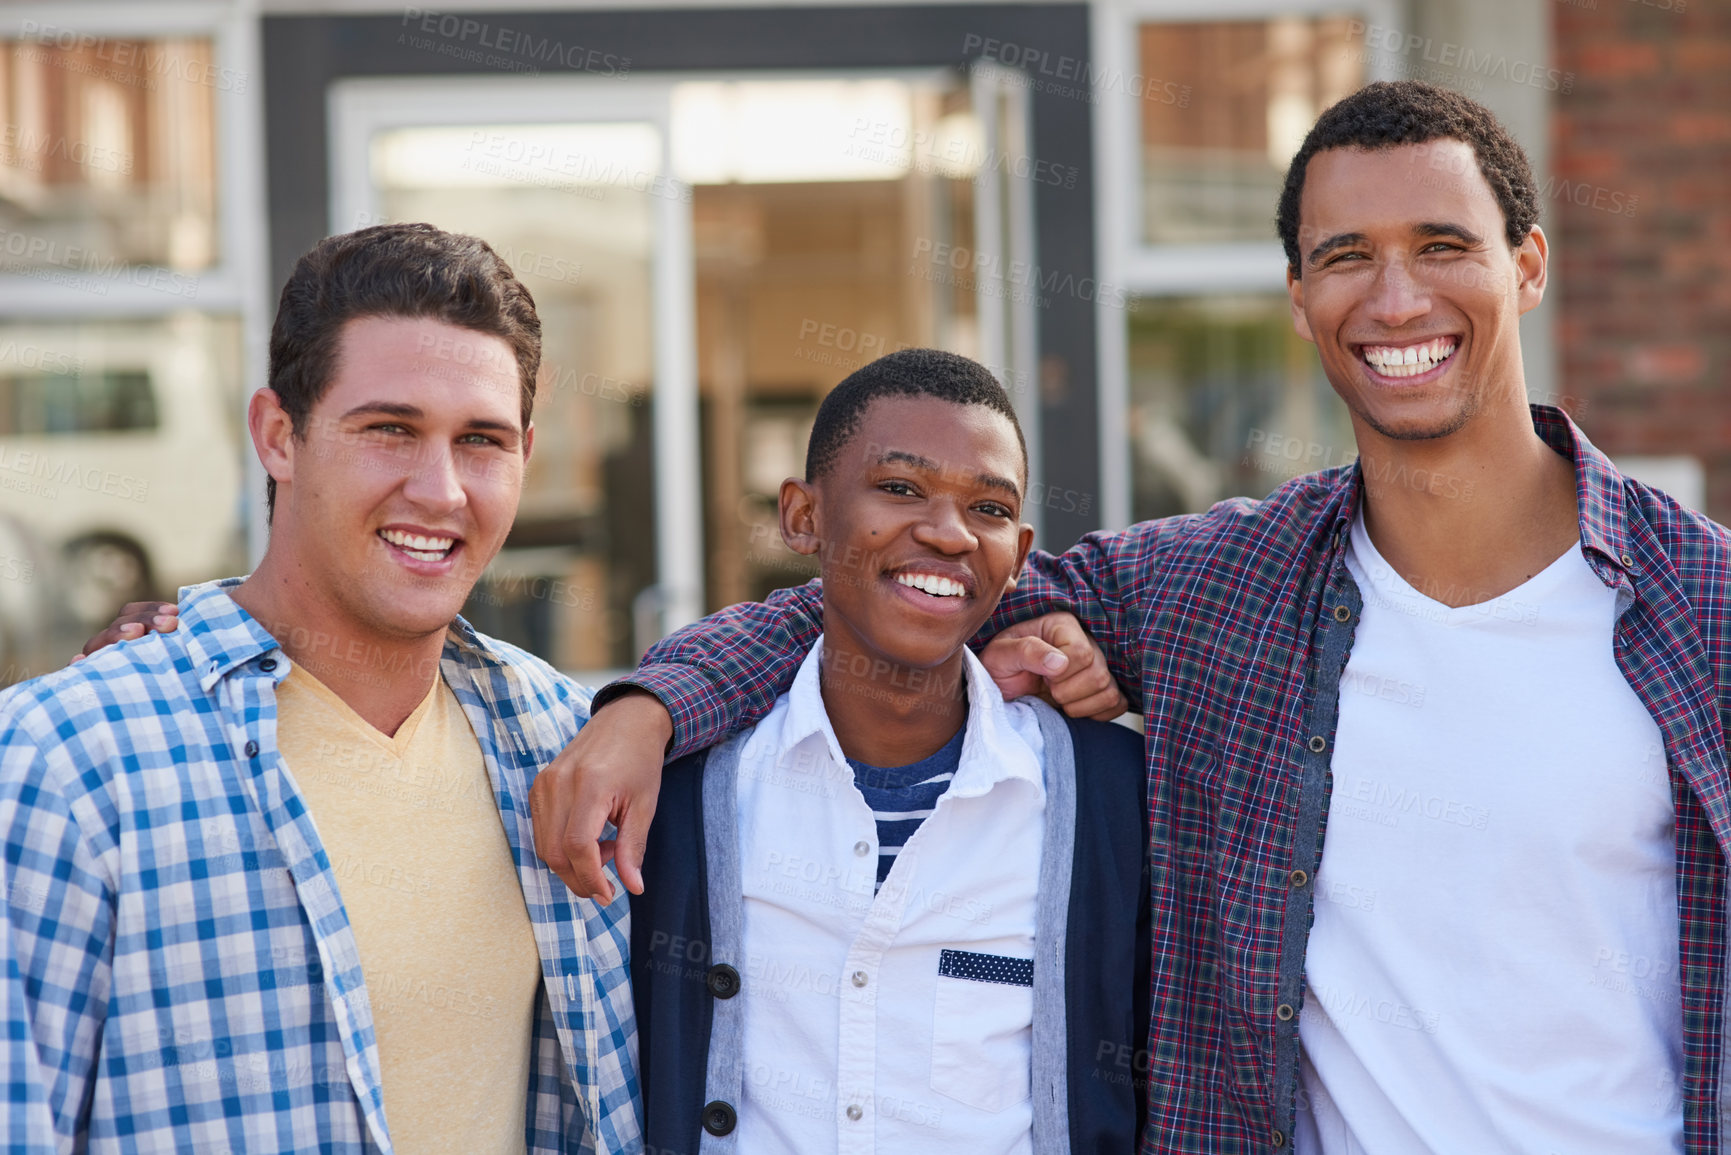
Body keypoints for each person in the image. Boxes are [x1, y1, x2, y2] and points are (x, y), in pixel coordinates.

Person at [530, 80, 1731, 1153]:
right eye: (1347, 255)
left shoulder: (1705, 609)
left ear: (1527, 264)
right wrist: (652, 707)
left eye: (1442, 244)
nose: (1397, 295)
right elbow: (904, 595)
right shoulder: (1229, 590)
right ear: (1302, 299)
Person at [0, 224, 641, 1153]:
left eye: (482, 440)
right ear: (278, 436)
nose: (442, 488)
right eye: (390, 428)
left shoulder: (554, 740)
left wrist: (655, 705)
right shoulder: (68, 763)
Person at [629, 349, 1148, 1153]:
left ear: (1019, 552)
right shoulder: (681, 790)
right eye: (899, 489)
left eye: (987, 507)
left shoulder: (1110, 797)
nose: (947, 533)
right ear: (802, 516)